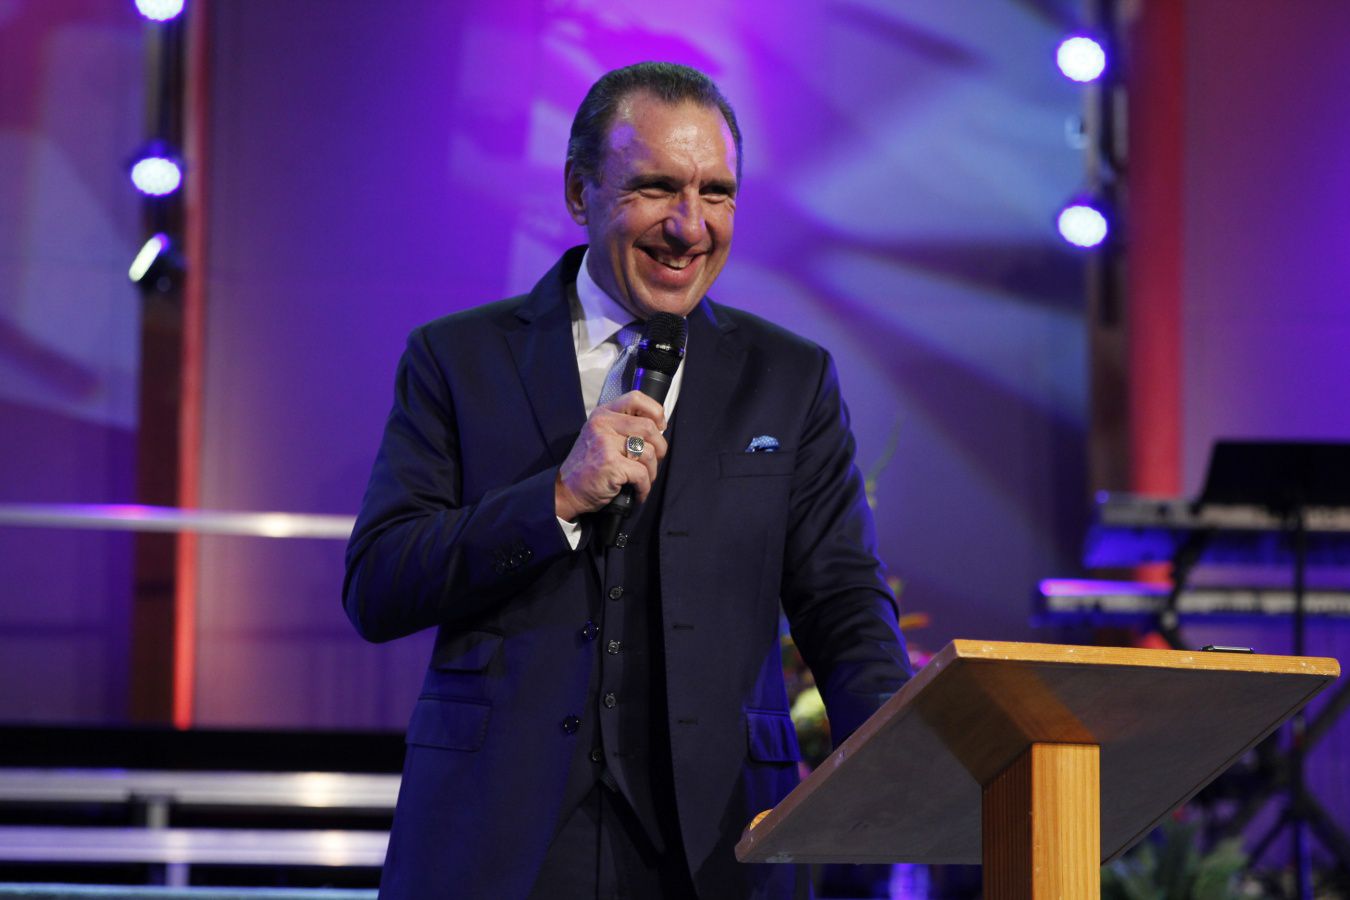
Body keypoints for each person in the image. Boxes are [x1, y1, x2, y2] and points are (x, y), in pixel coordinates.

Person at [344, 61, 911, 900]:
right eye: (656, 188)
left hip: (720, 841)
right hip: (499, 838)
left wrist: (903, 758)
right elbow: (380, 583)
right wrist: (556, 499)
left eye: (716, 194)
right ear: (580, 192)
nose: (689, 226)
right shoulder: (456, 358)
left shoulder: (789, 379)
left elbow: (842, 600)